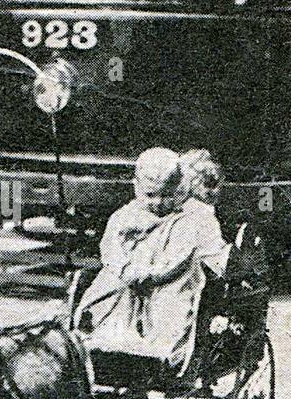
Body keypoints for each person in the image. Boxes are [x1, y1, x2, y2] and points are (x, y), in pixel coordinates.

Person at [76, 148, 231, 371]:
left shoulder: (191, 217)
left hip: (171, 279)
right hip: (128, 276)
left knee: (172, 305)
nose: (158, 203)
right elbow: (111, 247)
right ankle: (103, 342)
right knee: (109, 293)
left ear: (179, 188)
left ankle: (161, 355)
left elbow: (184, 254)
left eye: (166, 195)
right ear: (136, 186)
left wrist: (154, 273)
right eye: (150, 195)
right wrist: (124, 268)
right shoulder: (126, 215)